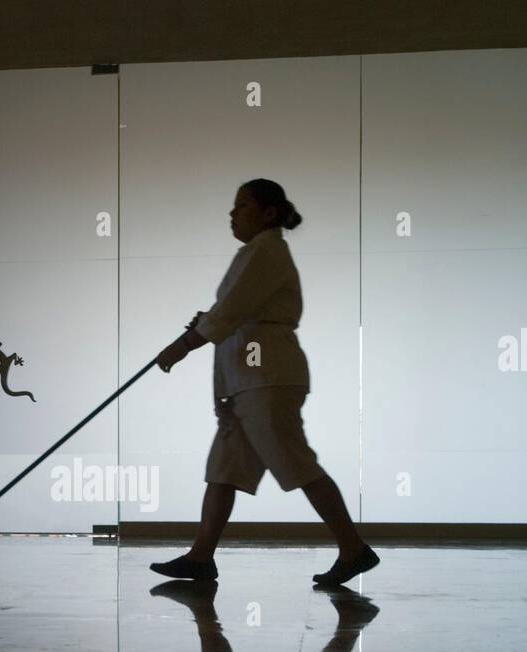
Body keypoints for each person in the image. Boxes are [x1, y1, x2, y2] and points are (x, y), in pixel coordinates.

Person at [150, 179, 380, 588]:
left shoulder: (267, 251)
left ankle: (353, 547)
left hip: (266, 377)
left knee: (295, 461)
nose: (233, 214)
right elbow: (230, 316)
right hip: (249, 378)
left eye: (241, 205)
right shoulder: (255, 252)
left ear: (268, 213)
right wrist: (222, 385)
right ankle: (201, 557)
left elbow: (231, 312)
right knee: (224, 468)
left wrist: (183, 344)